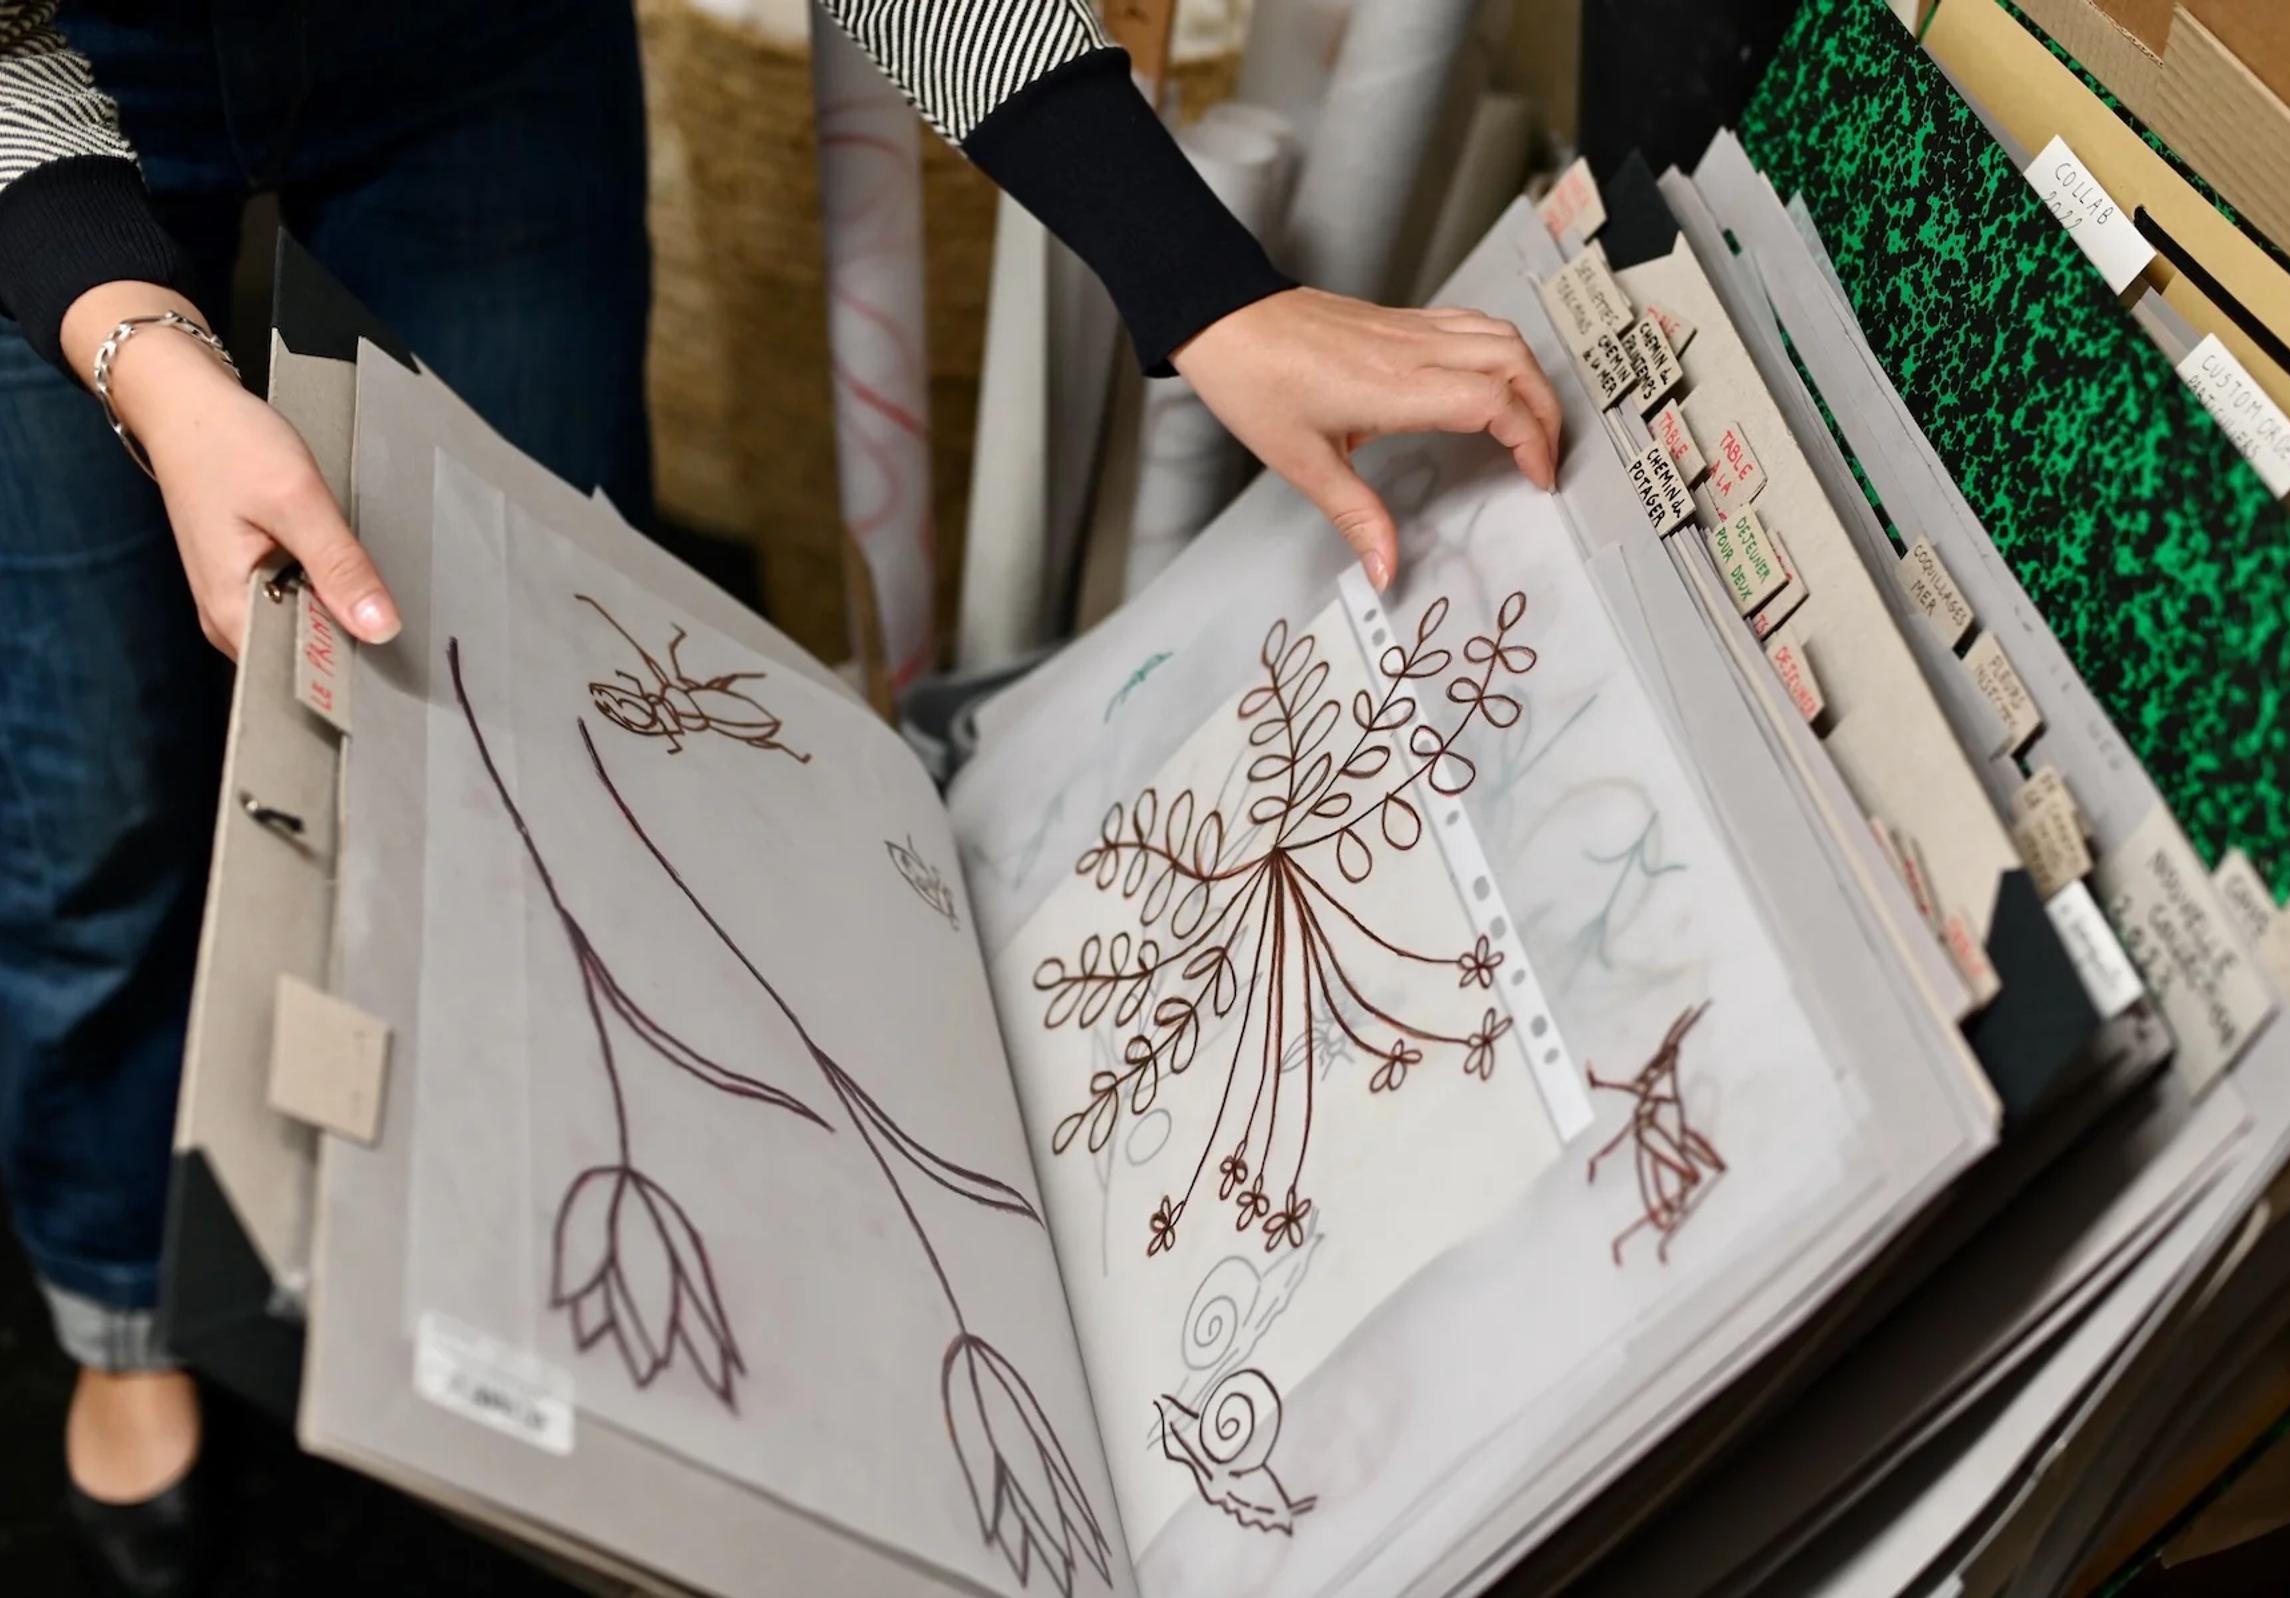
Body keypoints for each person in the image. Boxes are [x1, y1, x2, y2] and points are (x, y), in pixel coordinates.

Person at [0, 1, 1561, 1591]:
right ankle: (122, 1304)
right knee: (96, 792)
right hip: (41, 60)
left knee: (543, 711)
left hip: (470, 58)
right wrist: (140, 348)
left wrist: (1208, 288)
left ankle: (518, 1247)